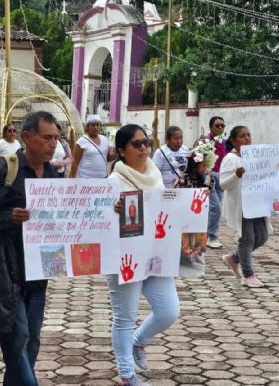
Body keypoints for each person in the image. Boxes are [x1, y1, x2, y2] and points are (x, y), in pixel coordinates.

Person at [0, 111, 59, 386]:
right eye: (47, 138)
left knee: (32, 340)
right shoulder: (6, 168)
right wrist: (8, 218)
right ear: (27, 137)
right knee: (17, 337)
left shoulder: (52, 174)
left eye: (56, 138)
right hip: (7, 269)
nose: (53, 144)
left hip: (39, 271)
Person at [107, 124, 180, 386]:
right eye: (136, 144)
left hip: (155, 254)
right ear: (122, 151)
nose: (143, 148)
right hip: (125, 258)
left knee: (169, 310)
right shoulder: (114, 182)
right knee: (125, 317)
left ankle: (139, 342)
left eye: (146, 142)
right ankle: (127, 375)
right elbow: (98, 223)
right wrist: (111, 210)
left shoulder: (155, 174)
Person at [220, 126, 273, 288]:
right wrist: (236, 175)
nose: (247, 139)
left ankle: (234, 258)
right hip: (242, 205)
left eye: (249, 135)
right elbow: (223, 184)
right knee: (247, 239)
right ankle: (248, 275)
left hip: (256, 202)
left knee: (262, 236)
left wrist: (274, 168)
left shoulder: (255, 157)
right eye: (242, 136)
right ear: (233, 141)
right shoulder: (231, 159)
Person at [206, 116, 228, 249]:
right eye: (217, 126)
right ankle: (212, 236)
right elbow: (199, 159)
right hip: (210, 178)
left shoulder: (223, 141)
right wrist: (208, 172)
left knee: (214, 209)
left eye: (222, 126)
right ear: (211, 127)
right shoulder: (205, 141)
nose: (220, 128)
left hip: (222, 177)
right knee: (216, 208)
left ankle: (208, 235)